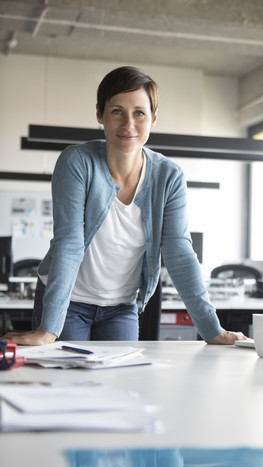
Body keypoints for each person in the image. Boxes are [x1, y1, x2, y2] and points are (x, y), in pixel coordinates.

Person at [2, 66, 246, 346]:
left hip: (121, 307)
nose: (128, 124)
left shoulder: (169, 176)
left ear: (153, 118)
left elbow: (179, 253)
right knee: (67, 384)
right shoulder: (77, 162)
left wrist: (211, 329)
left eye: (139, 113)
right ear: (100, 114)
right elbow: (68, 243)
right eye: (117, 111)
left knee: (120, 384)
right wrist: (49, 328)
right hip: (67, 304)